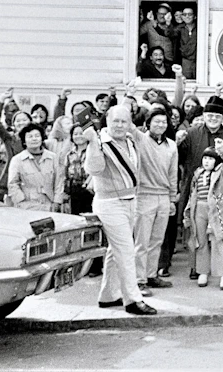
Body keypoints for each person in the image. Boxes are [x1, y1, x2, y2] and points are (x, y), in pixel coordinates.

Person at [83, 106, 156, 315]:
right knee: (125, 251)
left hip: (130, 200)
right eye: (116, 121)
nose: (119, 125)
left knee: (115, 252)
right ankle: (133, 300)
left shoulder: (131, 141)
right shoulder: (100, 142)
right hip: (110, 203)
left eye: (124, 121)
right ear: (107, 120)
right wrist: (92, 144)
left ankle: (108, 295)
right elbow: (94, 169)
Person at [167, 96, 223, 280]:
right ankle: (196, 267)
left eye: (217, 115)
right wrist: (177, 142)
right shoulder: (191, 133)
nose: (213, 118)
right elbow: (179, 157)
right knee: (195, 230)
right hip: (197, 190)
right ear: (204, 115)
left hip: (222, 192)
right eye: (209, 115)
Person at [130, 109, 178, 292]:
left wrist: (172, 198)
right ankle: (139, 280)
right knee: (142, 241)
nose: (160, 125)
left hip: (164, 197)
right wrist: (129, 96)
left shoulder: (172, 146)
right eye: (156, 121)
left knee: (157, 240)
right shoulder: (140, 139)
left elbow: (173, 174)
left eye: (164, 122)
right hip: (144, 196)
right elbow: (128, 124)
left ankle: (151, 275)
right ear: (148, 123)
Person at [183, 143, 223, 290]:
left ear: (216, 161)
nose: (207, 161)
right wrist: (188, 213)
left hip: (215, 211)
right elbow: (192, 194)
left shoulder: (221, 173)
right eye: (205, 158)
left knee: (217, 241)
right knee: (201, 241)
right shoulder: (197, 174)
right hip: (198, 209)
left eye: (211, 159)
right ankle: (202, 271)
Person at [8, 123, 65, 212]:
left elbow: (59, 181)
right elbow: (12, 184)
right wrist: (21, 202)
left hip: (50, 205)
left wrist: (57, 202)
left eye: (37, 136)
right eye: (30, 137)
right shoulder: (17, 160)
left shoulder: (53, 157)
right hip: (27, 206)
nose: (34, 139)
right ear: (24, 141)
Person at [0, 89, 32, 203]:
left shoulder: (37, 138)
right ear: (13, 124)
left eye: (24, 120)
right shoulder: (10, 139)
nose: (21, 122)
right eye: (18, 121)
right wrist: (1, 100)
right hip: (10, 181)